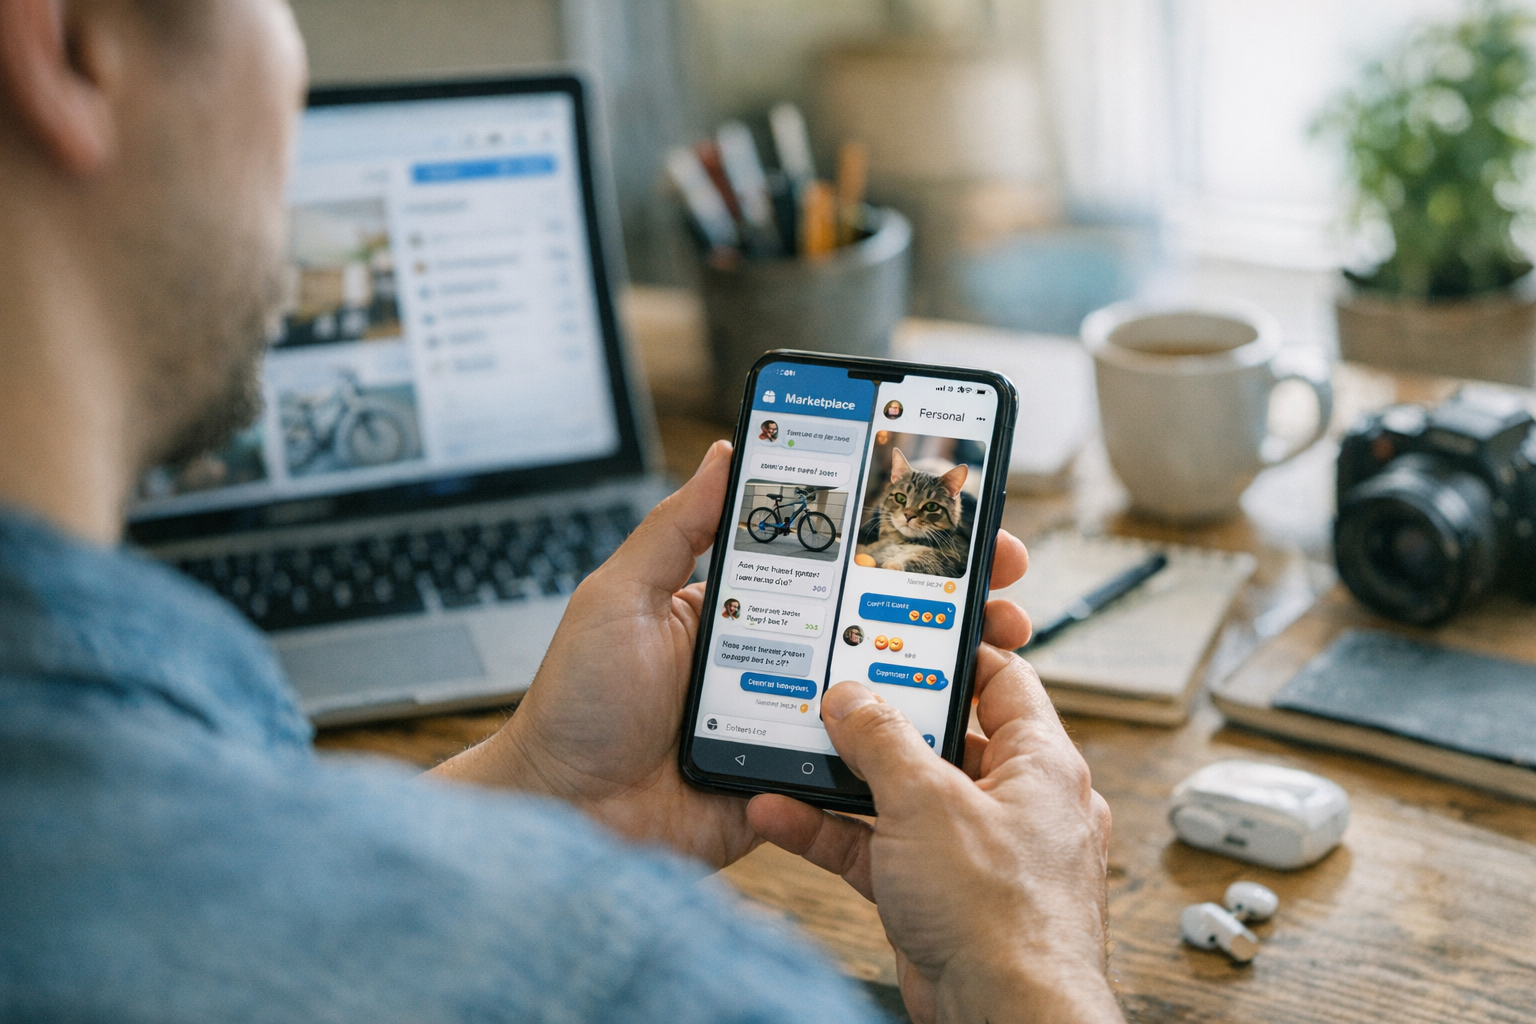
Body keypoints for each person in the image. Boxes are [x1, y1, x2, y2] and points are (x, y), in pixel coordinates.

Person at [0, 2, 1122, 1022]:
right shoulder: (630, 982)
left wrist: (545, 787)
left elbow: (223, 891)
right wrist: (1035, 970)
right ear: (63, 45)